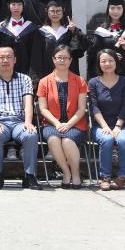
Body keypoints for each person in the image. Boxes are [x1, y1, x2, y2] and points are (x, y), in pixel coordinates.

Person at [0, 45, 41, 189]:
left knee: (31, 134)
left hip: (19, 121)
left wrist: (28, 121)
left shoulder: (25, 79)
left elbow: (28, 103)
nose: (5, 60)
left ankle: (30, 176)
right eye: (1, 57)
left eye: (9, 57)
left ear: (15, 60)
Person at [37, 45, 88, 188]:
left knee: (67, 141)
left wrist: (69, 124)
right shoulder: (44, 82)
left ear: (71, 60)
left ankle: (76, 174)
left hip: (75, 123)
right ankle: (66, 173)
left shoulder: (79, 81)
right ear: (53, 59)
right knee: (53, 139)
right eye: (59, 57)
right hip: (51, 123)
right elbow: (43, 109)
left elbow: (82, 108)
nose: (62, 60)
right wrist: (57, 123)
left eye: (65, 58)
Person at [88, 49, 125, 190]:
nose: (107, 64)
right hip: (100, 125)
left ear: (116, 62)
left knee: (123, 140)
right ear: (99, 63)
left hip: (121, 125)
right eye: (103, 61)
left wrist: (118, 126)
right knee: (107, 139)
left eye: (110, 60)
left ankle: (122, 176)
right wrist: (105, 126)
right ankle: (105, 177)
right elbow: (94, 107)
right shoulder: (93, 82)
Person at [86, 0, 125, 78]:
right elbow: (93, 52)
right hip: (106, 72)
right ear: (108, 10)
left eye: (119, 8)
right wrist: (109, 56)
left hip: (124, 73)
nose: (116, 11)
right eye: (112, 8)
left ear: (123, 10)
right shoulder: (101, 30)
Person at [0, 0, 44, 80]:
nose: (16, 7)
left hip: (26, 73)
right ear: (8, 6)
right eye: (13, 4)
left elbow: (35, 53)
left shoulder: (31, 28)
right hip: (5, 71)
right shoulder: (0, 29)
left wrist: (33, 76)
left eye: (19, 4)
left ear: (23, 6)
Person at [36, 0, 87, 78]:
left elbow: (85, 44)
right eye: (52, 11)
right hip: (47, 72)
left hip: (69, 72)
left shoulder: (69, 30)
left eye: (58, 11)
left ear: (63, 10)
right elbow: (37, 56)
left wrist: (75, 31)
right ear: (46, 11)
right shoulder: (40, 32)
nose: (55, 14)